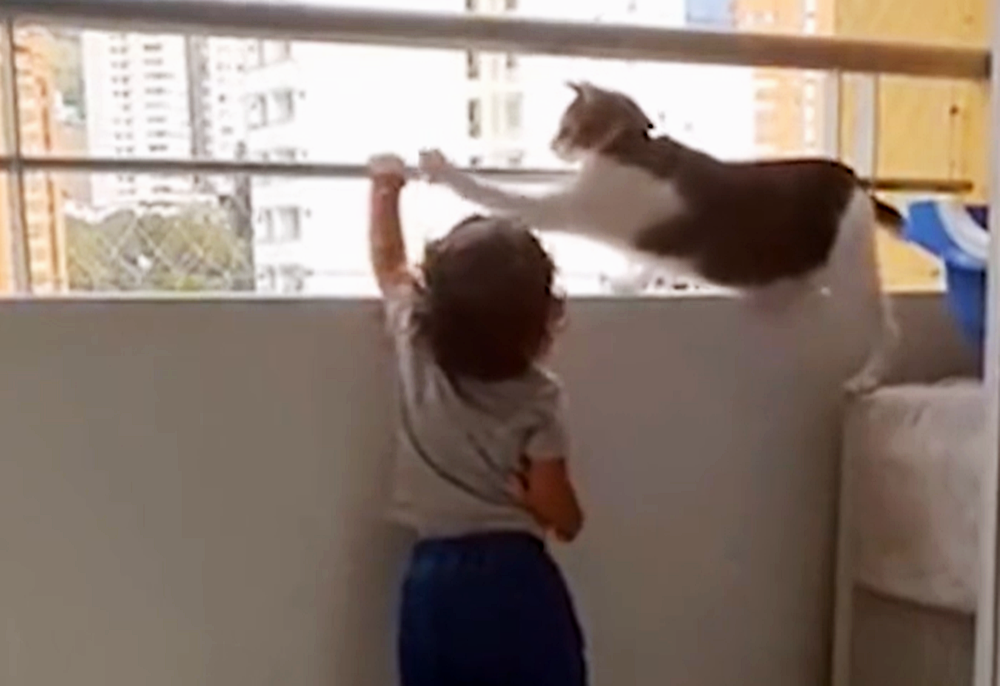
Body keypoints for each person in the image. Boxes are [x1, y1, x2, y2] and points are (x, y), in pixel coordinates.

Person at [367, 153, 588, 686]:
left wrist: (386, 187)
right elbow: (559, 511)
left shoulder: (416, 347)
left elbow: (388, 261)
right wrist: (561, 514)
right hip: (517, 576)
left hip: (434, 580)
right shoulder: (538, 398)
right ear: (541, 321)